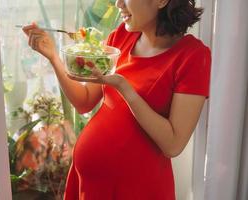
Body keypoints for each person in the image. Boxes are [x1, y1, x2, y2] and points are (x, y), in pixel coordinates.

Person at [22, 0, 211, 199]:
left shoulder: (193, 56)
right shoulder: (121, 36)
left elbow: (173, 144)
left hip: (136, 189)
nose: (118, 3)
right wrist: (53, 57)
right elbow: (84, 101)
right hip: (89, 183)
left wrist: (123, 87)